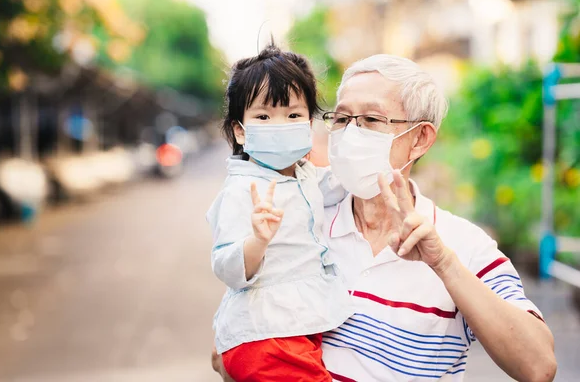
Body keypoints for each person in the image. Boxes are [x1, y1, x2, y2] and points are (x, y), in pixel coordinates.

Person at [213, 54, 557, 382]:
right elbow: (238, 337)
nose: (350, 134)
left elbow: (538, 366)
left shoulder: (462, 246)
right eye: (343, 119)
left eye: (372, 120)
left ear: (419, 139)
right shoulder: (304, 219)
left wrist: (444, 265)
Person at [206, 43, 353, 382]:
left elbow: (338, 184)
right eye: (263, 116)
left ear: (309, 122)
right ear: (240, 130)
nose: (279, 124)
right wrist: (257, 241)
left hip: (294, 329)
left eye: (293, 115)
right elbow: (226, 267)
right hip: (267, 337)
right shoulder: (241, 190)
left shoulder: (304, 175)